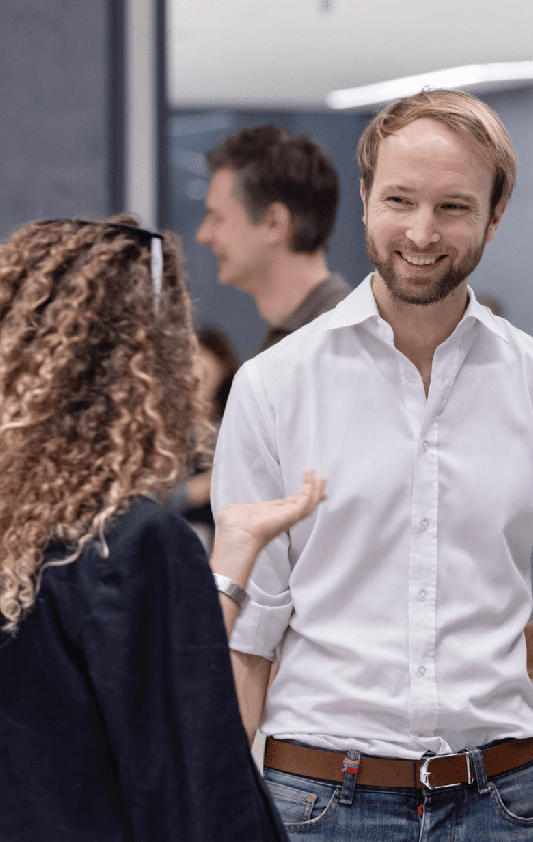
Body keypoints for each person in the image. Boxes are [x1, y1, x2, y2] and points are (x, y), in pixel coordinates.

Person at [211, 90, 533, 840]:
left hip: (502, 802)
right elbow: (251, 639)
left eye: (453, 206)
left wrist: (530, 651)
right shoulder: (275, 385)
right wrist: (214, 807)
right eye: (399, 199)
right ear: (364, 199)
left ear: (496, 210)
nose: (421, 233)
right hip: (318, 802)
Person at [0, 214, 326, 842]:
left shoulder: (28, 543)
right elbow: (195, 784)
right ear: (146, 362)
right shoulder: (132, 544)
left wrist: (230, 553)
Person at [196, 125, 351, 354]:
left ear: (274, 223)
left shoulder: (342, 346)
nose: (203, 235)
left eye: (217, 218)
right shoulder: (297, 338)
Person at [166, 325, 240, 554]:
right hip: (175, 544)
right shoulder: (164, 429)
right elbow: (144, 503)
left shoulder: (238, 424)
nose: (195, 370)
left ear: (223, 366)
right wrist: (193, 491)